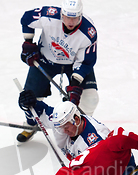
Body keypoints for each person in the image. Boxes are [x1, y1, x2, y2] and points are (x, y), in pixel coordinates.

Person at [16, 0, 99, 143]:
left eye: (75, 17)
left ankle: (81, 128)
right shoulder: (49, 15)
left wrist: (75, 84)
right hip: (45, 60)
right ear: (62, 14)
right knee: (29, 98)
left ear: (81, 15)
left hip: (73, 64)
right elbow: (26, 19)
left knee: (90, 98)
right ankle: (31, 125)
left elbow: (86, 62)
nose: (71, 22)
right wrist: (28, 42)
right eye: (67, 17)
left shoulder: (88, 32)